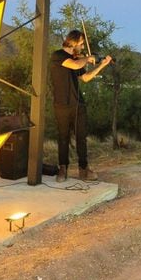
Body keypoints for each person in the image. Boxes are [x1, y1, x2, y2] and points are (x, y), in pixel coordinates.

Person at [49, 31, 112, 183]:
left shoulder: (78, 59)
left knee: (81, 138)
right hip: (61, 104)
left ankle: (83, 170)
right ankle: (62, 169)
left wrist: (101, 65)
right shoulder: (58, 56)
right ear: (73, 42)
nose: (83, 46)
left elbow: (85, 78)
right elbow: (75, 64)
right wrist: (88, 58)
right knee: (63, 137)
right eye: (81, 44)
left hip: (78, 104)